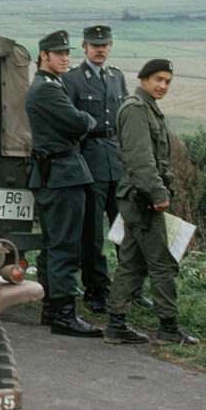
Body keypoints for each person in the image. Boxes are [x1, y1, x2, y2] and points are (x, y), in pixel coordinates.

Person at [105, 59, 196, 346]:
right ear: (143, 79)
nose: (163, 86)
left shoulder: (148, 109)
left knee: (132, 262)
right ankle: (168, 326)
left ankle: (116, 324)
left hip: (138, 198)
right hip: (142, 199)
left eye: (168, 81)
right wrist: (158, 195)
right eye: (158, 79)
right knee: (163, 263)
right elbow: (141, 159)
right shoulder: (136, 109)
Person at [61, 25, 148, 313]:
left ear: (110, 47)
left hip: (117, 161)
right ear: (84, 47)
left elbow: (123, 122)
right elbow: (70, 125)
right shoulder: (73, 80)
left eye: (105, 45)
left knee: (126, 227)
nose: (100, 50)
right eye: (94, 45)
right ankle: (96, 289)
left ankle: (131, 286)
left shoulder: (117, 77)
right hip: (89, 162)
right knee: (93, 233)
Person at [26, 30, 104, 338]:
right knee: (64, 246)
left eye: (67, 53)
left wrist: (80, 121)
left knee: (54, 244)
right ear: (43, 55)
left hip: (59, 172)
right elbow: (77, 122)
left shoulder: (53, 85)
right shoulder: (46, 89)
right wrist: (87, 121)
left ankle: (52, 309)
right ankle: (63, 315)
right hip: (62, 173)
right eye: (58, 54)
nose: (65, 58)